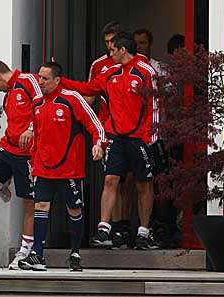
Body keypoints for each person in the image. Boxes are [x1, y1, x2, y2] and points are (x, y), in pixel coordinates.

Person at [60, 32, 159, 250]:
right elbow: (88, 89)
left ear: (123, 50)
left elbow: (155, 104)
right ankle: (104, 228)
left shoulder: (145, 71)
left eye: (113, 50)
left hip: (139, 138)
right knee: (110, 180)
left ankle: (144, 231)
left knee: (143, 184)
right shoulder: (110, 72)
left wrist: (150, 136)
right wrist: (61, 81)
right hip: (115, 137)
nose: (109, 53)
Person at [18, 62, 107, 271]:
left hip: (69, 169)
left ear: (57, 80)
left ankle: (75, 253)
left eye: (45, 79)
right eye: (39, 78)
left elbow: (95, 125)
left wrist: (98, 144)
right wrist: (32, 162)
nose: (40, 82)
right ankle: (37, 255)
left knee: (74, 209)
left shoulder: (72, 99)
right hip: (43, 168)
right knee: (40, 207)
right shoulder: (37, 103)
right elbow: (36, 136)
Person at [0, 60, 42, 269]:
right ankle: (1, 186)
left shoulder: (27, 80)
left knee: (29, 203)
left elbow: (43, 104)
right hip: (8, 148)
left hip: (27, 154)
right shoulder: (9, 94)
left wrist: (31, 129)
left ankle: (25, 250)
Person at [87, 21, 134, 249]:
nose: (109, 47)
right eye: (106, 42)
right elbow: (88, 98)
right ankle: (114, 230)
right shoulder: (99, 65)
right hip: (109, 130)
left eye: (112, 42)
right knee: (112, 179)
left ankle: (127, 227)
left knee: (131, 182)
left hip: (134, 131)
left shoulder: (137, 63)